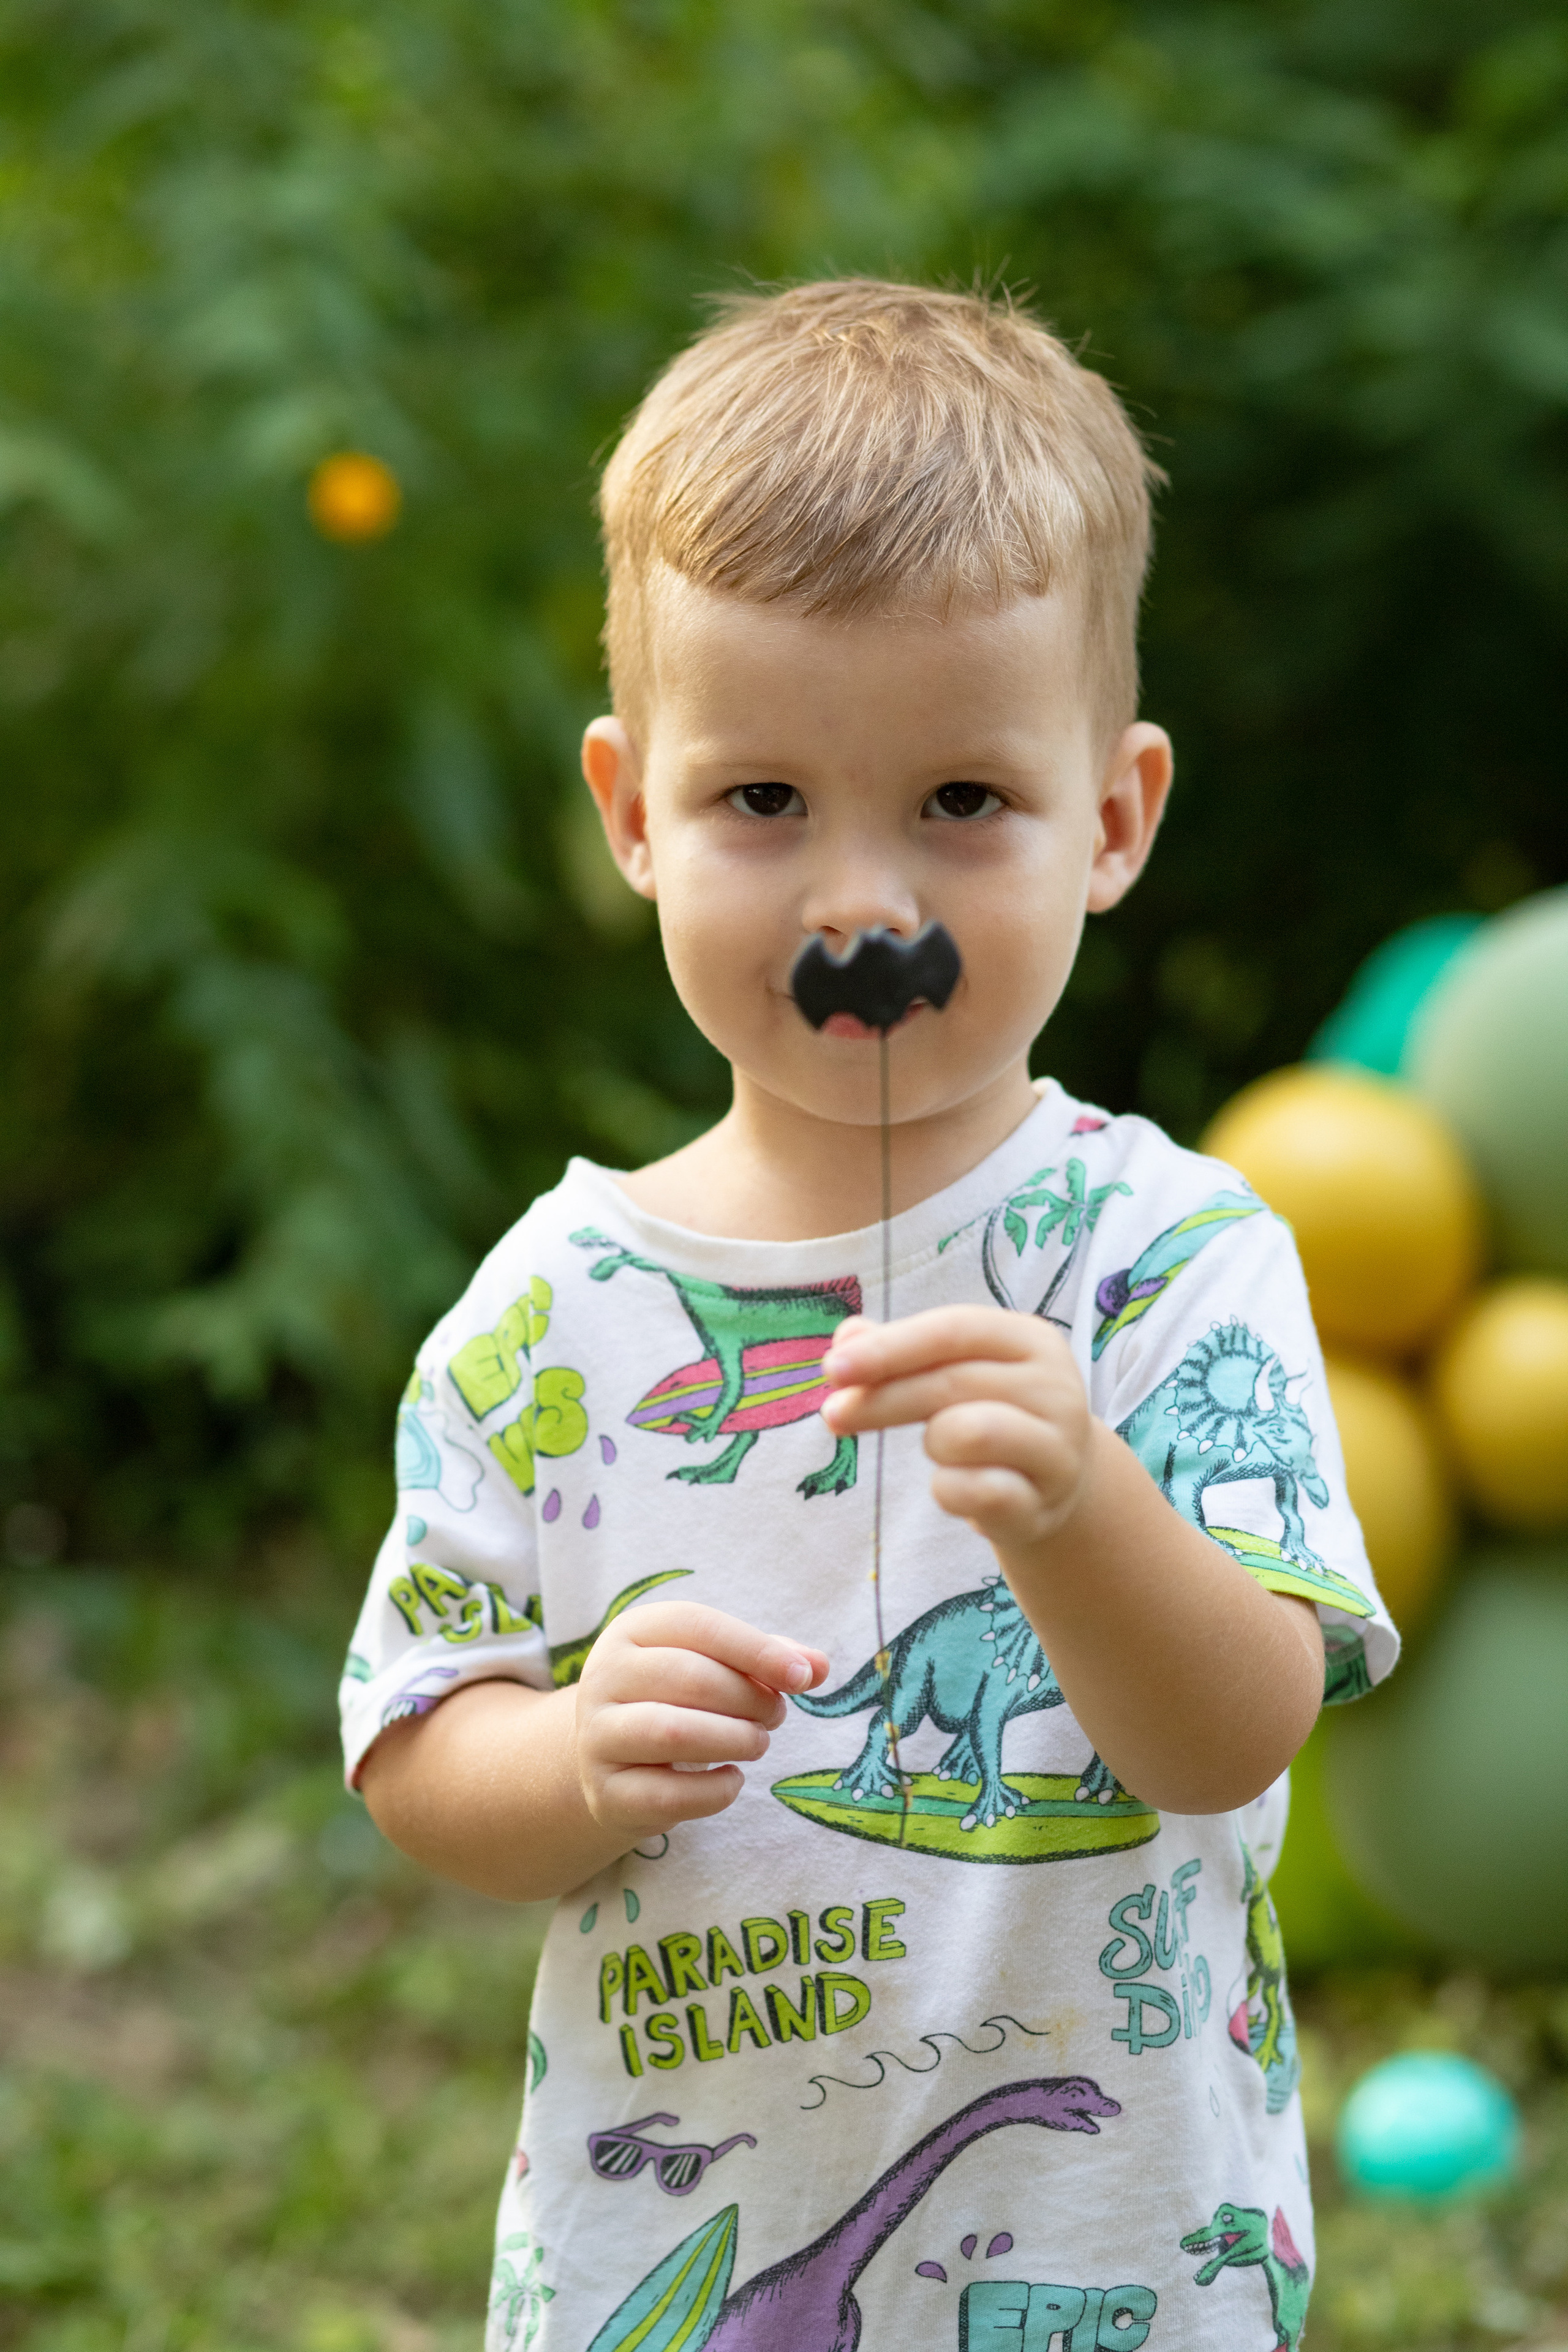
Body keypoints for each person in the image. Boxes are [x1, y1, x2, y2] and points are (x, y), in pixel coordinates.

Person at [344, 280, 1396, 2352]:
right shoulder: (547, 1317)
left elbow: (1235, 1731)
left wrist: (1082, 1505)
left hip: (1109, 2259)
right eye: (763, 805)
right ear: (634, 811)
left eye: (959, 804)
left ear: (1112, 817)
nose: (861, 910)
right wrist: (568, 1756)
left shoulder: (1170, 1258)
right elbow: (412, 1734)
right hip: (676, 2266)